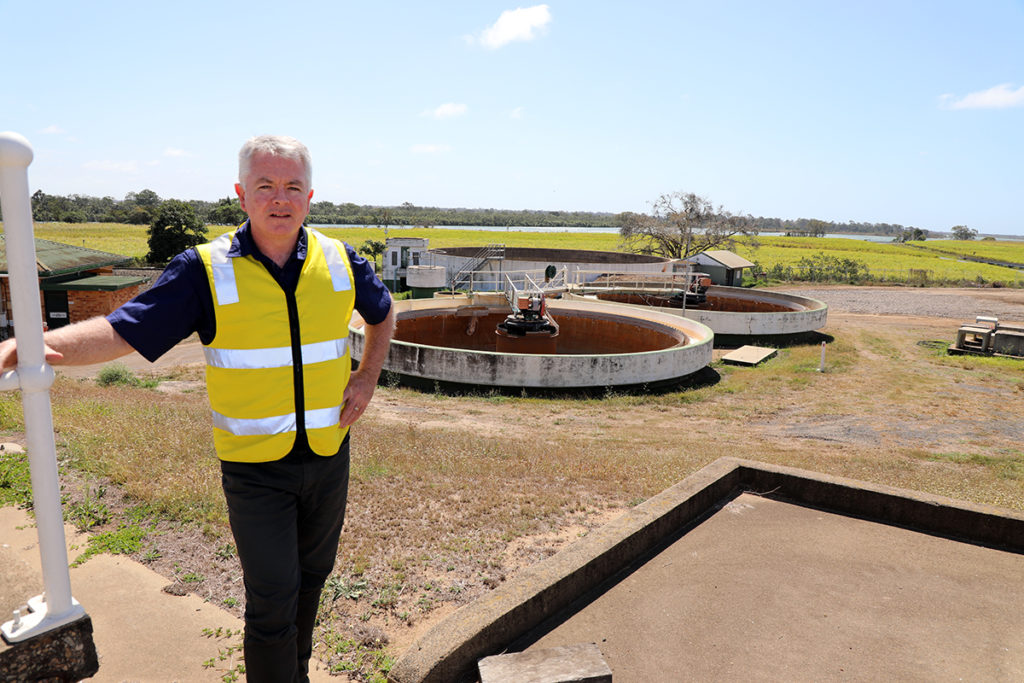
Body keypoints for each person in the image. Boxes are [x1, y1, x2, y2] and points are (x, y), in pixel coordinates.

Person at [0, 135, 395, 682]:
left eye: (292, 187)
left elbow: (382, 311)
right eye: (265, 186)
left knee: (311, 580)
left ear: (310, 195)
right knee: (272, 599)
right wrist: (31, 346)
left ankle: (295, 673)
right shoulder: (205, 270)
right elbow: (123, 331)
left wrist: (368, 373)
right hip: (256, 469)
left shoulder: (340, 259)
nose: (279, 198)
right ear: (241, 194)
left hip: (329, 454)